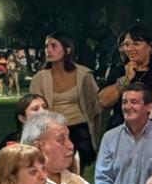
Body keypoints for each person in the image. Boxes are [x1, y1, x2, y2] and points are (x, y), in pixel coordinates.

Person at [28, 33, 102, 173]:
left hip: (79, 126)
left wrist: (95, 135)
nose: (48, 50)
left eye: (54, 46)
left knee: (77, 167)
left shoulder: (83, 75)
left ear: (67, 50)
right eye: (46, 46)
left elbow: (95, 106)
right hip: (53, 127)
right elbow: (34, 107)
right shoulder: (40, 78)